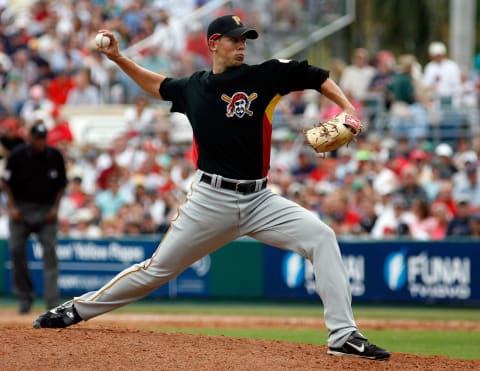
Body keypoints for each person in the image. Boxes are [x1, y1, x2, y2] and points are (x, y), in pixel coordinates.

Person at [33, 15, 390, 361]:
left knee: (322, 238)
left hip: (260, 199)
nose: (242, 45)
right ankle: (75, 309)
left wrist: (346, 107)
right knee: (156, 271)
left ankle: (343, 336)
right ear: (214, 44)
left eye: (245, 39)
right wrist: (118, 58)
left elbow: (316, 76)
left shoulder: (263, 76)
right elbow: (155, 85)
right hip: (210, 200)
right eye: (235, 39)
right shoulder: (195, 88)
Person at [3, 122, 67, 314]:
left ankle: (52, 303)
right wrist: (12, 207)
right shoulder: (17, 155)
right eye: (37, 138)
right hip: (21, 210)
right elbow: (6, 183)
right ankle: (24, 298)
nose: (40, 142)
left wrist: (55, 208)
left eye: (43, 138)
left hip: (46, 210)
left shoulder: (54, 156)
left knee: (50, 254)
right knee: (15, 251)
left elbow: (62, 185)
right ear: (30, 137)